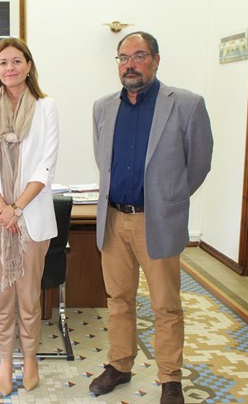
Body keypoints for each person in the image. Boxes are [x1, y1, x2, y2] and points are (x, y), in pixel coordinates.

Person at [90, 31, 213, 404]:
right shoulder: (102, 107)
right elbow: (103, 162)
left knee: (165, 305)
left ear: (156, 60)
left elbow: (199, 165)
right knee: (118, 299)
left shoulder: (187, 105)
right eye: (123, 57)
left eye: (139, 55)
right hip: (113, 219)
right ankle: (120, 364)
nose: (130, 64)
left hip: (156, 221)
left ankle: (170, 378)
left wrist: (168, 200)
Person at [0, 37, 60, 397]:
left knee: (29, 296)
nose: (9, 68)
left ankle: (31, 358)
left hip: (32, 218)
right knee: (0, 297)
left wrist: (18, 207)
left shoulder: (46, 107)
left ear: (28, 65)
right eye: (2, 63)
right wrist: (4, 209)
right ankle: (6, 360)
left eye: (16, 61)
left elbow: (46, 164)